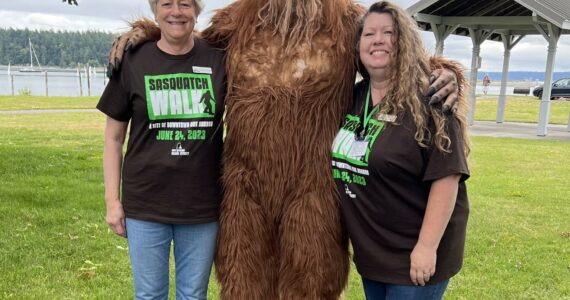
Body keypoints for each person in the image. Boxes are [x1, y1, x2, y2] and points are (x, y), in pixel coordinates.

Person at [106, 1, 464, 298]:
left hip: (314, 186)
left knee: (311, 281)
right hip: (246, 186)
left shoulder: (346, 20)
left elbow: (388, 56)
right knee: (244, 281)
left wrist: (439, 72)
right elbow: (186, 43)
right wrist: (148, 33)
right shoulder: (238, 19)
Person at [331, 2, 470, 299]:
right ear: (357, 46)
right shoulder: (351, 99)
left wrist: (426, 247)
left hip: (414, 256)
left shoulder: (432, 99)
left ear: (404, 42)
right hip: (374, 255)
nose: (377, 39)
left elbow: (447, 178)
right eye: (368, 34)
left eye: (388, 32)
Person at [97, 0, 226, 299]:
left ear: (197, 11)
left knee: (193, 294)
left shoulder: (219, 58)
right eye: (167, 3)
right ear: (155, 10)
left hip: (202, 205)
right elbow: (113, 139)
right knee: (149, 294)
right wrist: (112, 201)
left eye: (185, 4)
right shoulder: (133, 60)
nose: (176, 12)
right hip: (145, 203)